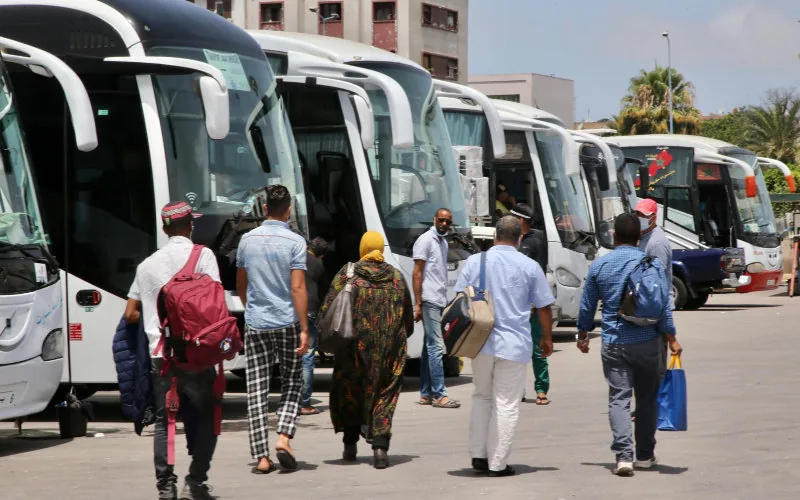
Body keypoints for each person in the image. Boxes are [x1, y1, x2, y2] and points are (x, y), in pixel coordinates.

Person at [124, 201, 220, 500]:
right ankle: (197, 479)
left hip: (161, 354)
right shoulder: (203, 256)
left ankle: (166, 486)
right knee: (206, 416)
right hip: (198, 352)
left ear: (165, 229)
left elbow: (130, 313)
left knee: (166, 422)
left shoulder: (146, 265)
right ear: (190, 225)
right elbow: (215, 303)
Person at [576, 213, 683, 477]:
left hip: (614, 342)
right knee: (647, 400)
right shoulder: (652, 265)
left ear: (614, 236)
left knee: (619, 398)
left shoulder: (600, 265)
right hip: (647, 341)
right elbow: (663, 307)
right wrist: (671, 338)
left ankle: (624, 457)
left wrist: (582, 334)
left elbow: (587, 305)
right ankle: (645, 455)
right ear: (639, 237)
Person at [456, 215, 555, 477]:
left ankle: (478, 455)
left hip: (479, 343)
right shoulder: (529, 266)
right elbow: (544, 306)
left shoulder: (474, 261)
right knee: (506, 403)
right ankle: (497, 463)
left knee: (481, 396)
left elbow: (459, 298)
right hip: (513, 345)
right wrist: (546, 338)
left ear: (494, 235)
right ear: (520, 237)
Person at [319, 231, 412, 469]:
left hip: (354, 350)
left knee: (351, 391)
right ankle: (380, 448)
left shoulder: (348, 274)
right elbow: (408, 319)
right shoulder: (396, 277)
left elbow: (328, 308)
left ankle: (350, 444)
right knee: (385, 395)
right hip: (390, 351)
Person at [236, 185, 311, 474]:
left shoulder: (246, 240)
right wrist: (304, 327)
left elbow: (242, 284)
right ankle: (283, 437)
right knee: (293, 382)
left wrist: (251, 307)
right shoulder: (295, 241)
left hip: (256, 323)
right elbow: (298, 287)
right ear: (289, 210)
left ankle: (262, 458)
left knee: (256, 390)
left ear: (265, 209)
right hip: (287, 322)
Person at [413, 208, 460, 409]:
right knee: (436, 347)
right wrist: (417, 303)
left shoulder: (442, 241)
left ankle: (425, 393)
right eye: (441, 220)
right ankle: (440, 395)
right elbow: (417, 273)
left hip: (439, 299)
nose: (444, 224)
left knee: (428, 346)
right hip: (429, 299)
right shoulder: (425, 240)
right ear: (434, 220)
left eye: (448, 221)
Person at [510, 204, 551, 405]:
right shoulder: (510, 240)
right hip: (513, 304)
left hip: (531, 305)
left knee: (537, 348)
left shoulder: (535, 241)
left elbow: (539, 273)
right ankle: (517, 389)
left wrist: (535, 301)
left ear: (521, 220)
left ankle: (541, 388)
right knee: (515, 349)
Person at [634, 198, 674, 376]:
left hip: (655, 309)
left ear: (653, 218)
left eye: (644, 215)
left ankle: (656, 400)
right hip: (647, 307)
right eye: (638, 214)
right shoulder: (643, 237)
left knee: (656, 365)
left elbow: (656, 282)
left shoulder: (656, 242)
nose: (640, 217)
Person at [301, 237, 329, 416]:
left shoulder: (296, 256)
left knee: (291, 356)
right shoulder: (319, 266)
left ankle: (289, 401)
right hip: (311, 309)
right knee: (308, 356)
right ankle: (304, 403)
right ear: (322, 255)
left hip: (293, 309)